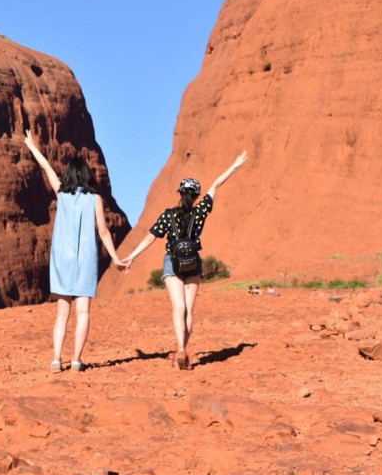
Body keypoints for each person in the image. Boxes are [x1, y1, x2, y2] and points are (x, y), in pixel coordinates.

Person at [121, 150, 248, 370]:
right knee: (189, 309)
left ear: (180, 194)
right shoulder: (201, 211)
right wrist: (234, 166)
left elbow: (151, 236)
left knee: (178, 307)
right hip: (194, 263)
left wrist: (132, 256)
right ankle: (184, 351)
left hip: (173, 261)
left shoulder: (169, 215)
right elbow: (216, 185)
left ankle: (180, 349)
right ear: (197, 196)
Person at [22, 129, 124, 373]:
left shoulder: (62, 194)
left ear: (68, 175)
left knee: (62, 313)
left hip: (62, 260)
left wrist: (32, 146)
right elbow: (103, 232)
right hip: (85, 260)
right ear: (87, 176)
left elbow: (47, 169)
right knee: (83, 312)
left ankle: (56, 360)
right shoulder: (95, 199)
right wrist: (116, 258)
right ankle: (77, 361)